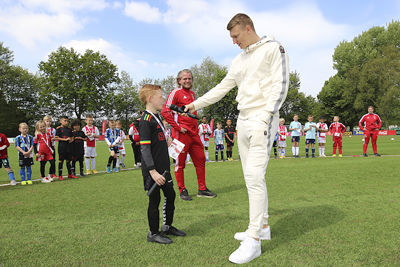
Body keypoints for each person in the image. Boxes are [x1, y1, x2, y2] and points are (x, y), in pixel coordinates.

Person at [184, 13, 289, 264]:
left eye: (236, 36)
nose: (234, 41)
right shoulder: (239, 59)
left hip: (262, 119)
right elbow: (222, 88)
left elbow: (281, 85)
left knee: (254, 177)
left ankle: (254, 241)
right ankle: (262, 227)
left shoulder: (274, 48)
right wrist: (194, 105)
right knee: (250, 177)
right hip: (243, 120)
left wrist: (266, 117)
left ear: (248, 28)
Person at [139, 84, 186, 244]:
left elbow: (155, 141)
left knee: (171, 195)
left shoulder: (156, 117)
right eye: (160, 96)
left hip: (164, 168)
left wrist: (167, 141)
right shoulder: (145, 120)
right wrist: (152, 172)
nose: (163, 99)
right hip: (154, 171)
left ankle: (167, 227)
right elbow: (144, 149)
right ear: (150, 99)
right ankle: (153, 233)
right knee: (154, 200)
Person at [161, 69, 216, 201]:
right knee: (180, 162)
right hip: (181, 134)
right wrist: (178, 127)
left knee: (201, 159)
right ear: (179, 80)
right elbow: (165, 110)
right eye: (184, 79)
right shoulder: (175, 92)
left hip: (194, 133)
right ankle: (182, 189)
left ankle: (202, 189)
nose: (187, 81)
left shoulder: (192, 93)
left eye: (189, 78)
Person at [44, 115, 57, 180]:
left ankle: (52, 173)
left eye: (50, 121)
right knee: (44, 161)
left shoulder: (53, 130)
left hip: (52, 147)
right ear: (44, 121)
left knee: (53, 161)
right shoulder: (43, 129)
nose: (48, 123)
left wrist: (54, 139)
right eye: (47, 121)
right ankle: (42, 174)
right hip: (45, 147)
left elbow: (55, 137)